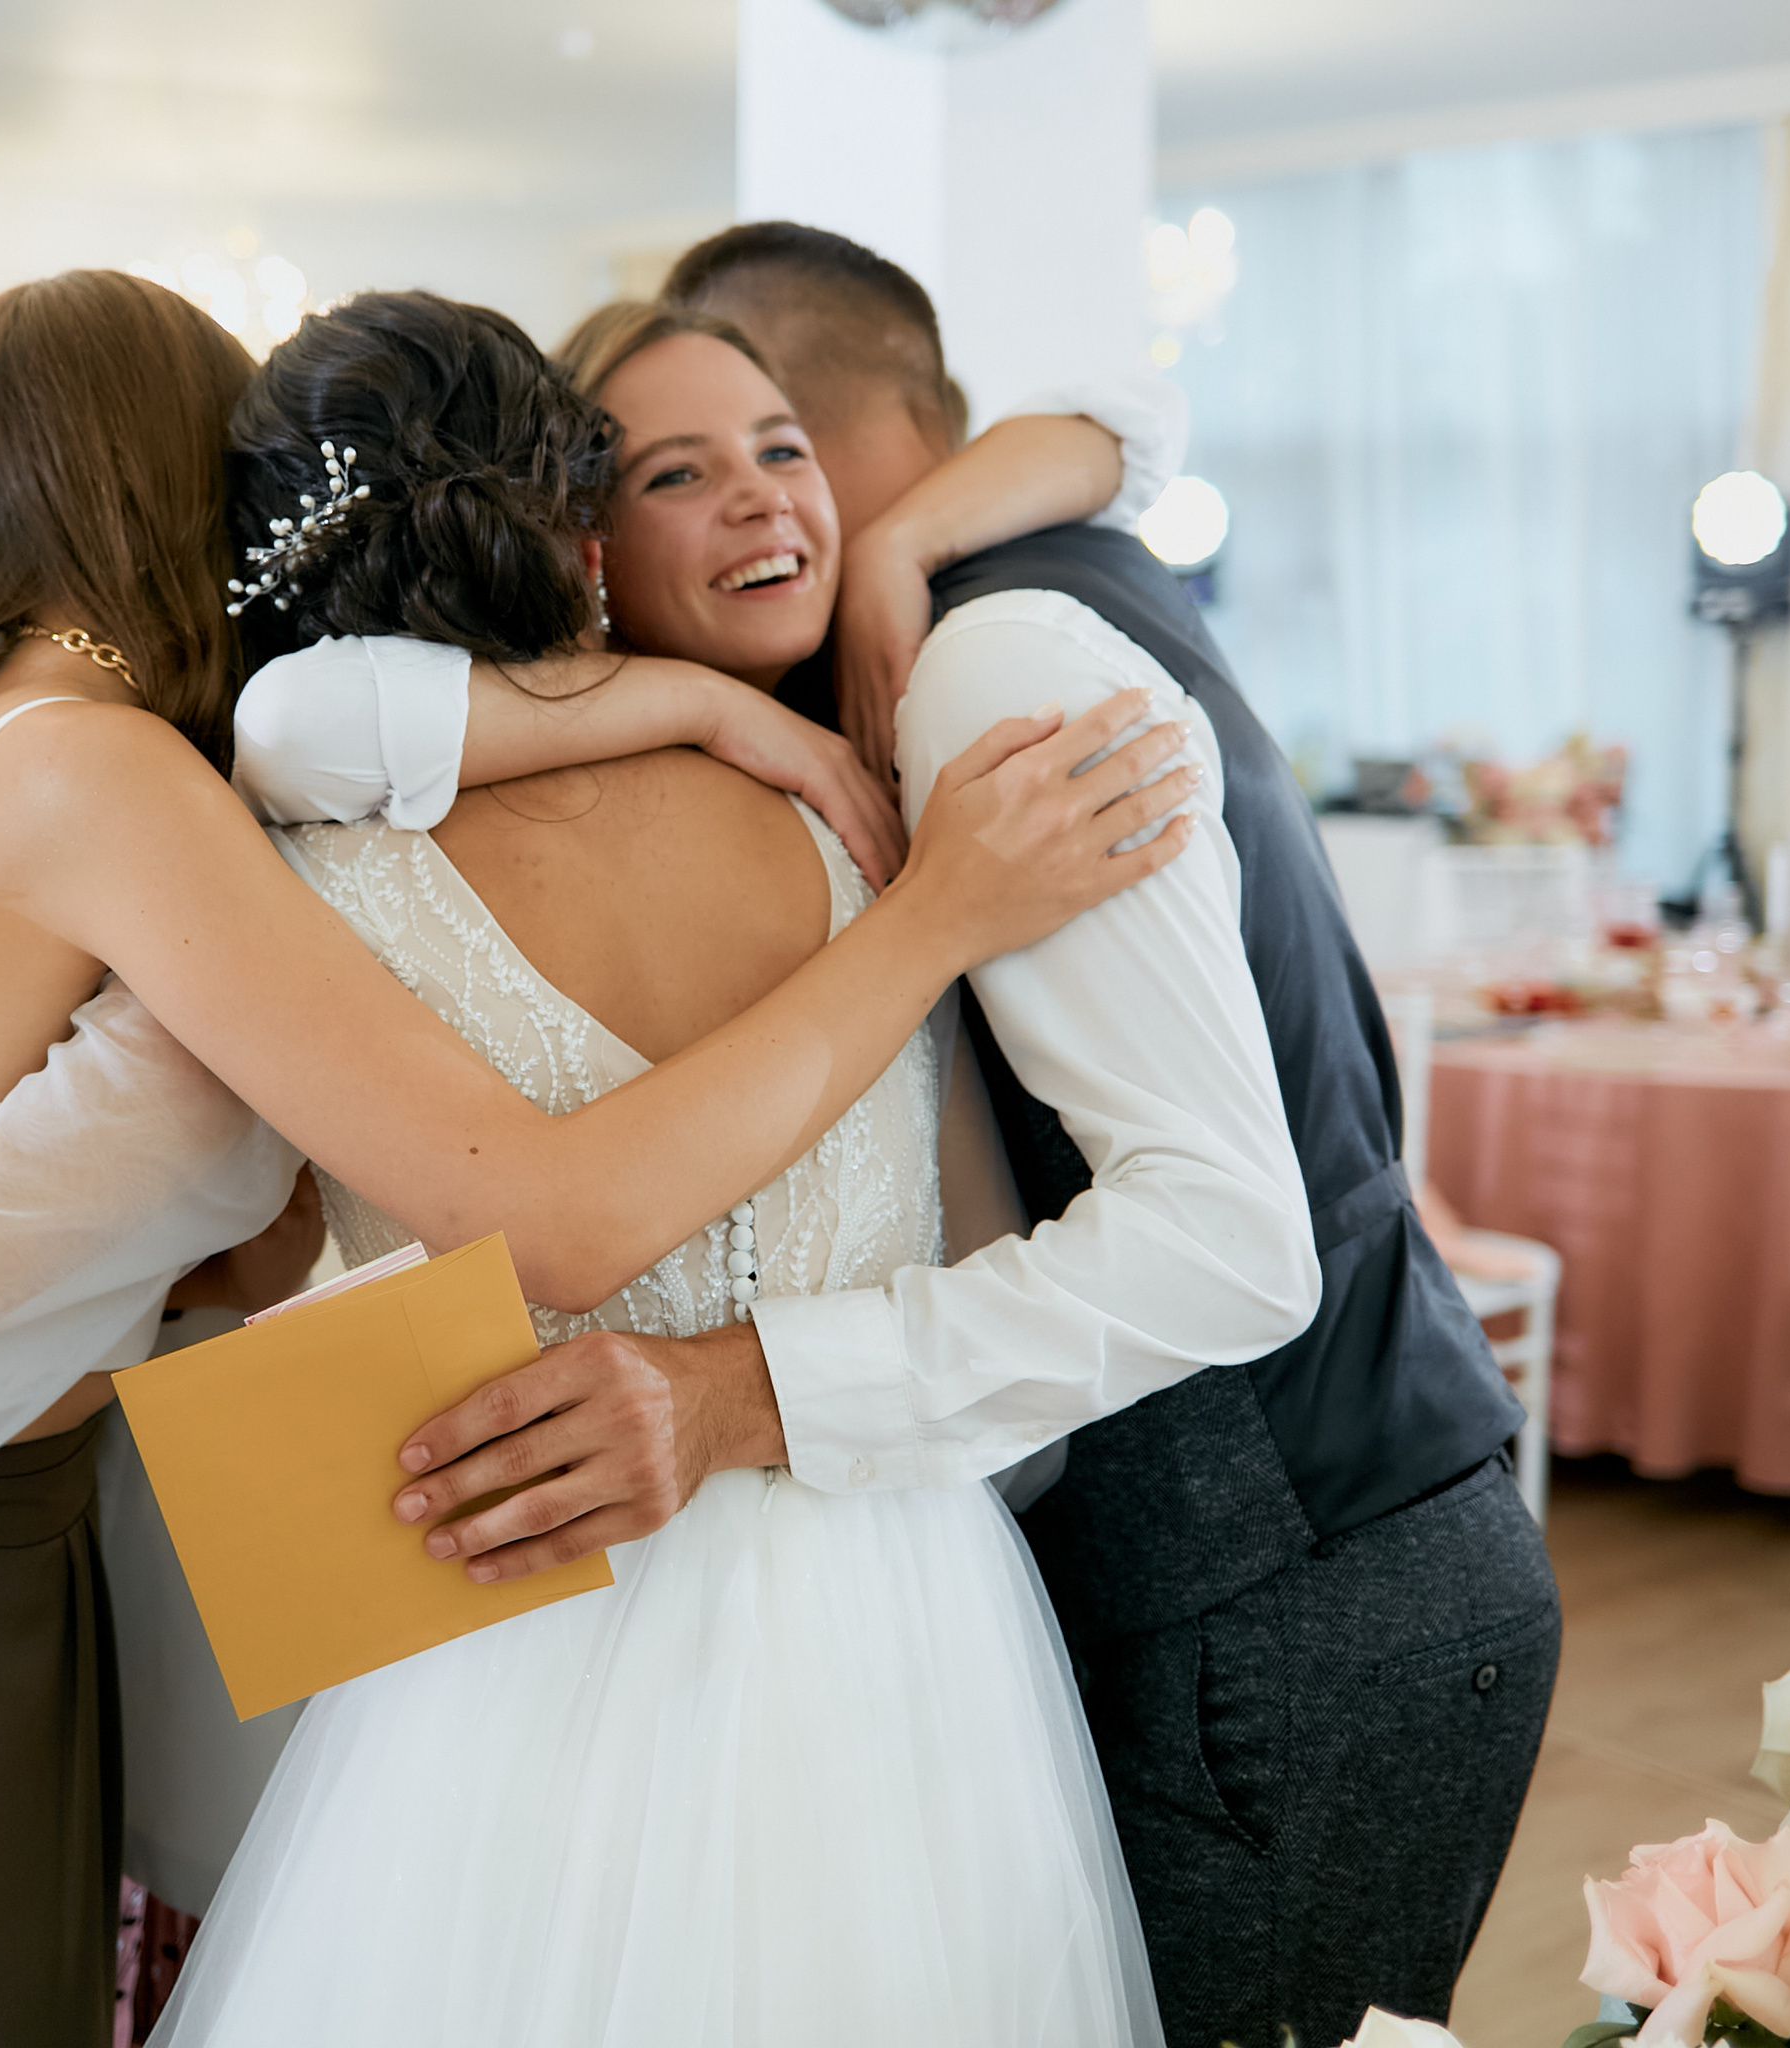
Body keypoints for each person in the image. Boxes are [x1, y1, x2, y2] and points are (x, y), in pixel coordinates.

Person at [0, 269, 1164, 2048]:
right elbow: (525, 1209)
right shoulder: (130, 778)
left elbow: (187, 1200)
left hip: (28, 1518)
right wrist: (906, 894)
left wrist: (689, 712)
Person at [392, 234, 1557, 2043]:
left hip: (1286, 1594)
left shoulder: (984, 670)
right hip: (1264, 1572)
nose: (758, 502)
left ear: (850, 439)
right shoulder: (970, 623)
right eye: (672, 468)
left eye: (773, 442)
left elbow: (1222, 1239)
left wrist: (736, 1393)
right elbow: (1126, 423)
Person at [134, 287, 1176, 2046]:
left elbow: (247, 1242)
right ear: (583, 525)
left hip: (499, 1627)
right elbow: (988, 1268)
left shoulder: (284, 866)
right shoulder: (851, 819)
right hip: (899, 1614)